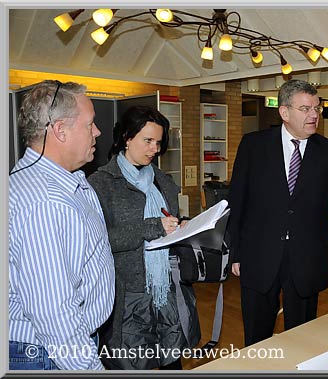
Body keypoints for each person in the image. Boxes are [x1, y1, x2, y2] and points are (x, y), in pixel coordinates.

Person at [228, 79, 328, 346]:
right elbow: (238, 201)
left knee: (302, 340)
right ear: (284, 112)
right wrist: (235, 253)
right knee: (256, 340)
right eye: (305, 108)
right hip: (259, 257)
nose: (314, 115)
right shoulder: (253, 145)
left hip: (306, 261)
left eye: (316, 108)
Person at [8, 80, 115, 370]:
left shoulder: (43, 179)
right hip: (49, 354)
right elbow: (53, 311)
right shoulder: (45, 202)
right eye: (90, 124)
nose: (98, 132)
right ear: (60, 130)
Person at [87, 106, 200, 370]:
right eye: (147, 140)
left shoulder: (163, 181)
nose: (154, 149)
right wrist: (151, 227)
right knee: (134, 367)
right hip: (127, 297)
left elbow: (168, 224)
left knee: (173, 364)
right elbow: (100, 240)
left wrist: (181, 226)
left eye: (159, 142)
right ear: (127, 138)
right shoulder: (102, 183)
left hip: (167, 291)